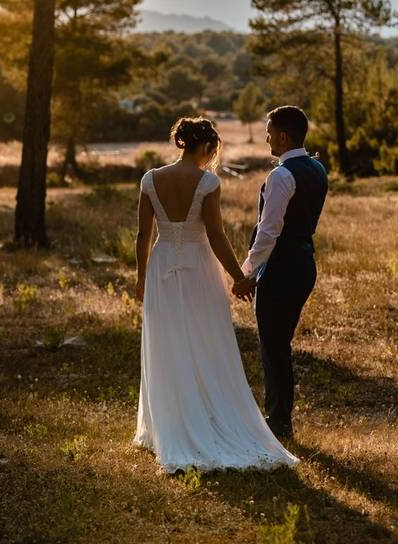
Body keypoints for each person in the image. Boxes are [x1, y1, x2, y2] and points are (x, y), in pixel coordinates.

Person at [133, 116, 298, 473]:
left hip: (162, 267)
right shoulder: (208, 181)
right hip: (198, 268)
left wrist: (141, 278)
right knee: (206, 339)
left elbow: (142, 236)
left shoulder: (150, 180)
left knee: (168, 341)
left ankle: (170, 422)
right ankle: (206, 413)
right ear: (207, 147)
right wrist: (240, 277)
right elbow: (216, 236)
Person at [233, 105, 329, 439]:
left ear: (284, 136)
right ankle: (279, 418)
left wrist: (245, 273)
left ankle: (278, 422)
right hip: (305, 265)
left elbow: (268, 233)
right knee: (279, 345)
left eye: (270, 132)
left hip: (282, 268)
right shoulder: (317, 168)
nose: (266, 138)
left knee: (273, 347)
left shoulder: (280, 176)